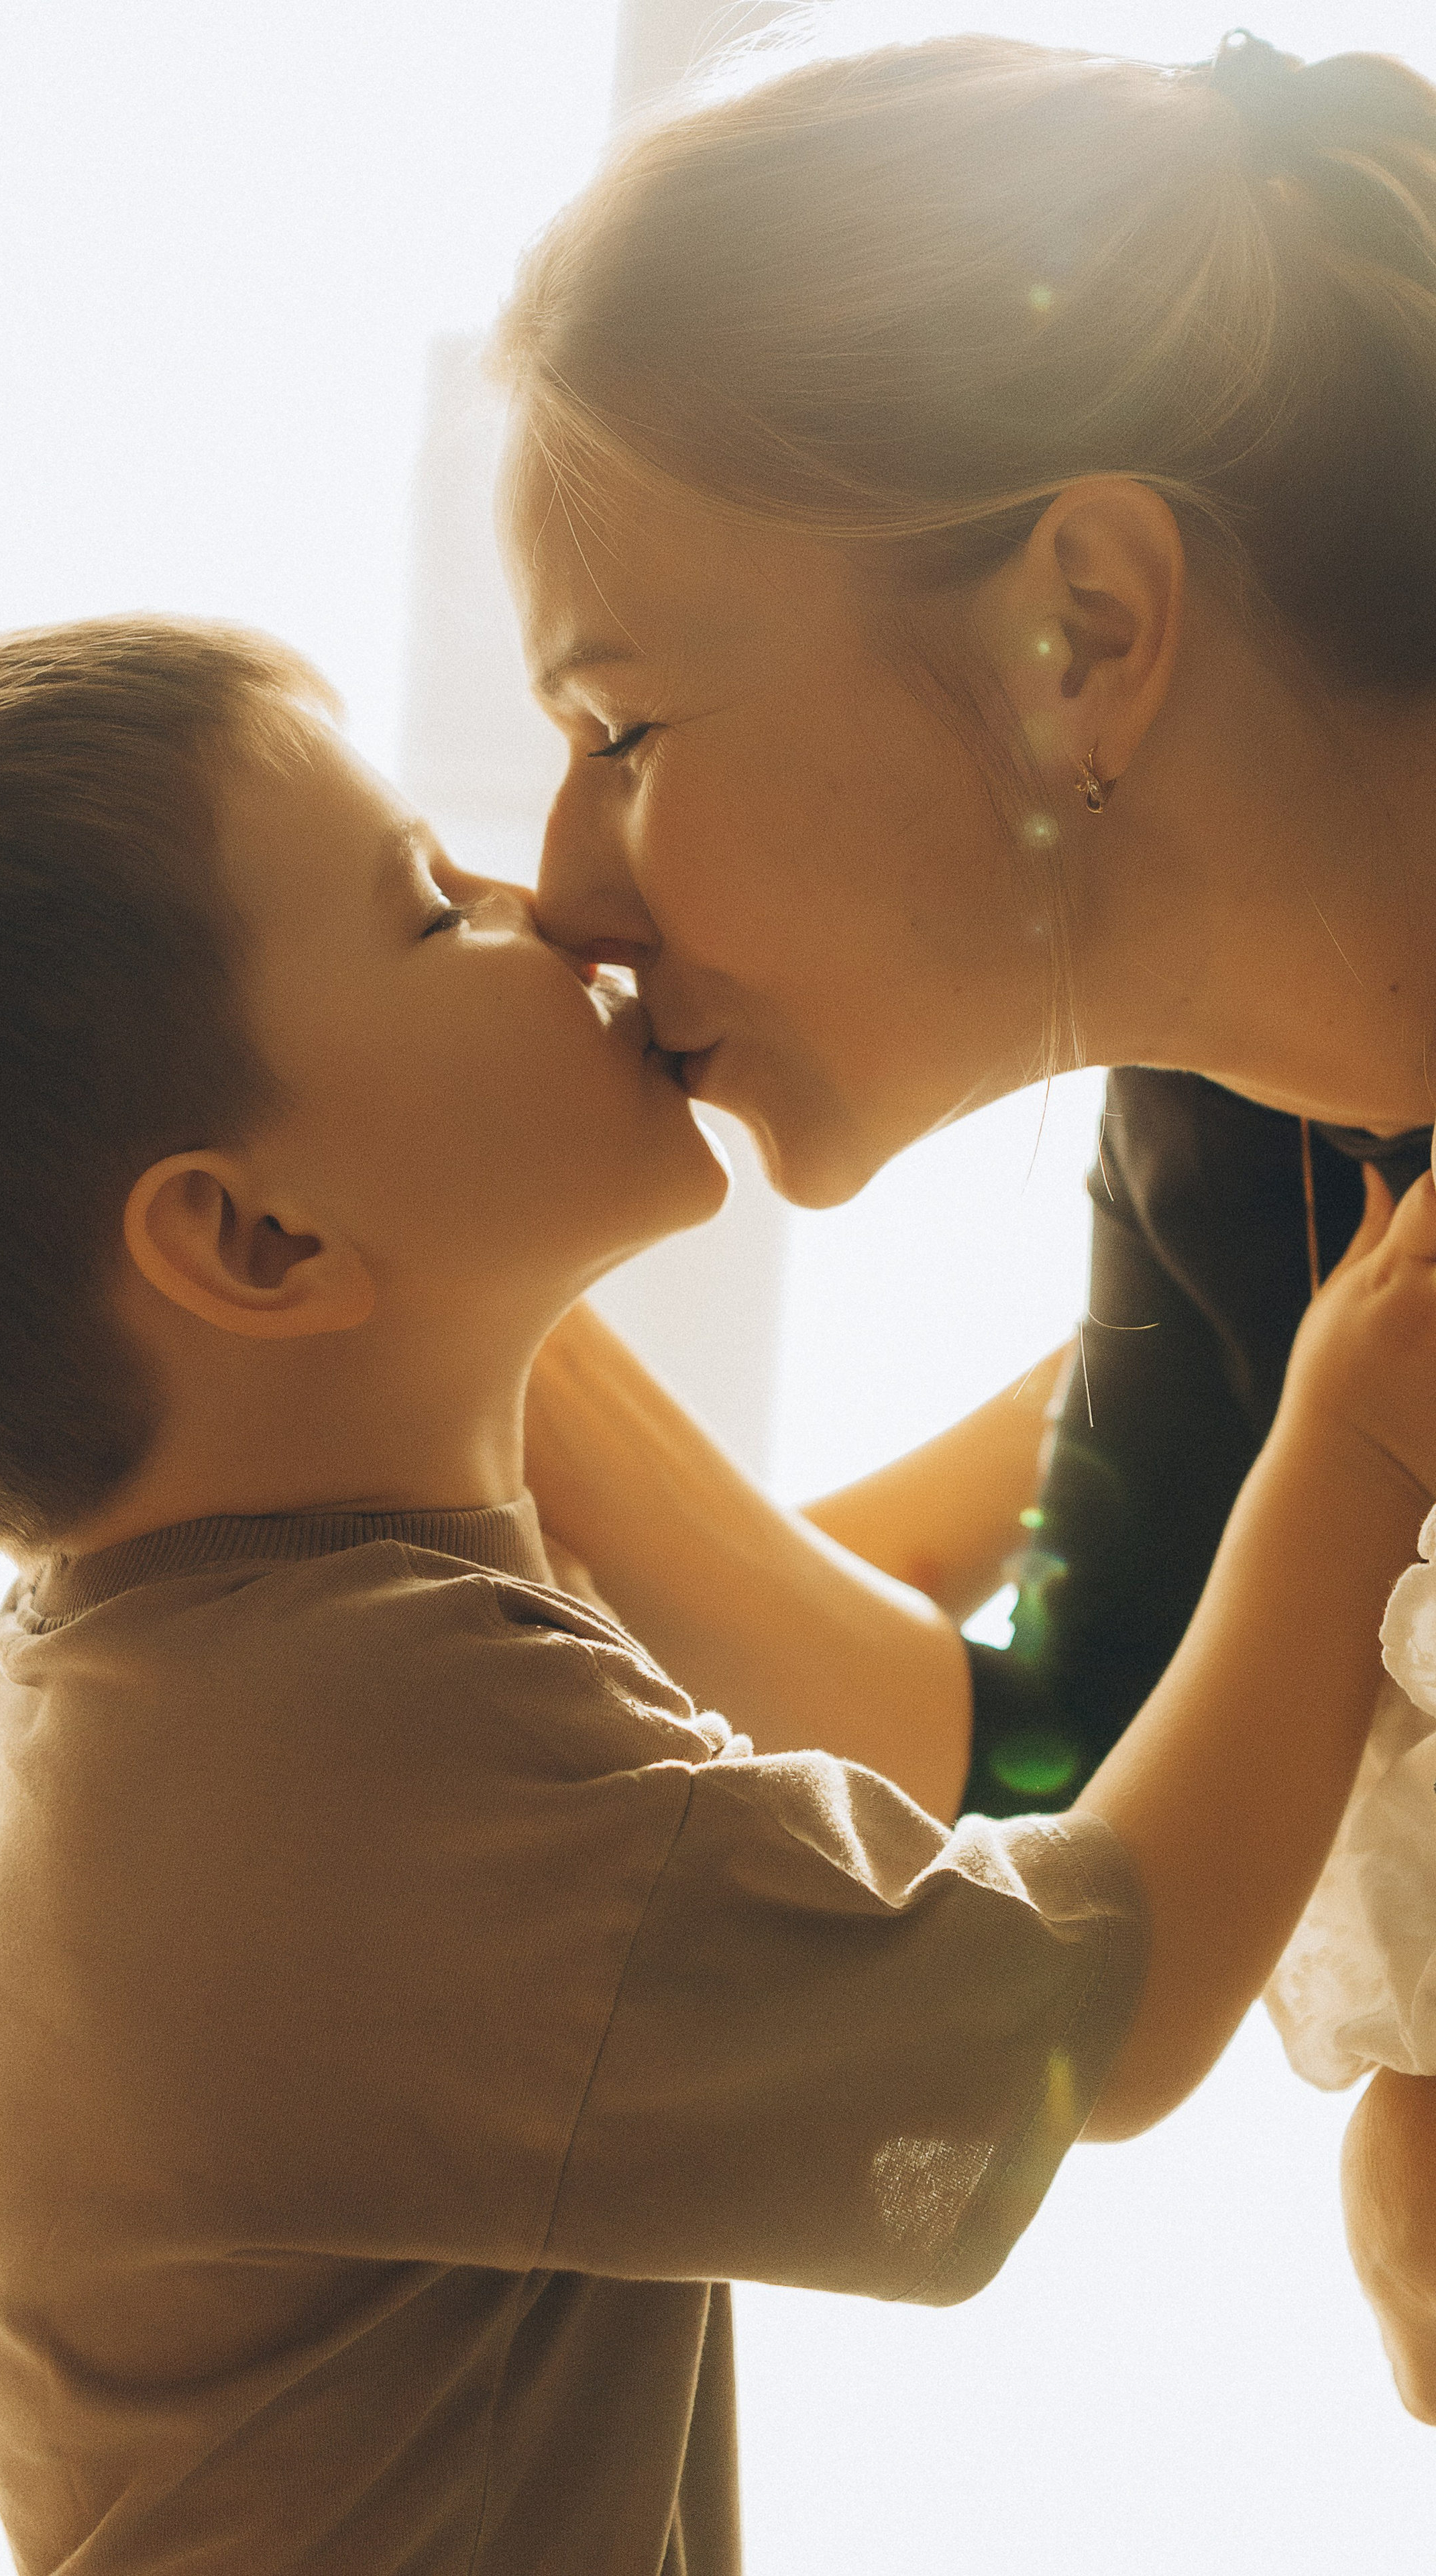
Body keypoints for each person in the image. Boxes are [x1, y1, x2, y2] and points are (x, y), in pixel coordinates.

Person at [0, 615, 1433, 2573]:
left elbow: (734, 1753)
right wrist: (1350, 1452)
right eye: (427, 907)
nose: (545, 903)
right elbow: (1091, 2029)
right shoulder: (349, 1793)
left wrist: (1208, 1384)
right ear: (257, 1236)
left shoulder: (225, 1662)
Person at [493, 30, 1436, 2420]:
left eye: (616, 726)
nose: (560, 889)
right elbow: (1064, 1768)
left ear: (1084, 633)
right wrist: (504, 1383)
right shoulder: (1236, 1145)